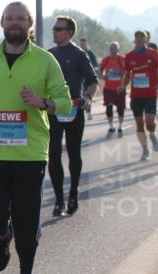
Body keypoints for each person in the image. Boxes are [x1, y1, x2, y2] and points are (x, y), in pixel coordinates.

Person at [0, 2, 71, 274]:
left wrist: (42, 102)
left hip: (31, 156)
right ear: (2, 22)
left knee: (28, 225)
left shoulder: (45, 60)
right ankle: (3, 236)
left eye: (20, 18)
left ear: (29, 23)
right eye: (9, 18)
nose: (14, 23)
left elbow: (65, 102)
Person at [47, 16, 98, 216]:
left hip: (74, 110)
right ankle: (59, 199)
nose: (55, 32)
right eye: (54, 28)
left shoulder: (78, 54)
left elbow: (93, 81)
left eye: (58, 29)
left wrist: (87, 97)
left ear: (69, 33)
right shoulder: (49, 55)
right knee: (53, 154)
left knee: (73, 153)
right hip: (53, 110)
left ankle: (73, 194)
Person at [123, 30, 158, 160]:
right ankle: (145, 150)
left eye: (140, 39)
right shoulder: (129, 56)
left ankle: (152, 134)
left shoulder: (154, 54)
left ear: (145, 40)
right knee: (139, 124)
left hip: (150, 94)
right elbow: (127, 74)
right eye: (136, 39)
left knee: (149, 122)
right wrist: (122, 85)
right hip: (136, 95)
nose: (137, 41)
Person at [98, 41, 127, 136]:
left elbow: (127, 72)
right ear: (109, 49)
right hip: (108, 88)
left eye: (114, 48)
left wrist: (121, 75)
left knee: (120, 108)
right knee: (109, 107)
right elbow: (100, 70)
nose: (112, 50)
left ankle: (120, 126)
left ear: (118, 49)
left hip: (119, 88)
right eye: (111, 48)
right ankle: (111, 126)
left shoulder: (122, 59)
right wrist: (103, 76)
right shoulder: (106, 60)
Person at [79, 37, 99, 120]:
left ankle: (89, 111)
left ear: (86, 44)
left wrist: (91, 72)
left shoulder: (90, 54)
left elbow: (95, 65)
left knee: (88, 94)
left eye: (84, 44)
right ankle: (83, 111)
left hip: (88, 78)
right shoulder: (78, 52)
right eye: (81, 44)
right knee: (81, 94)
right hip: (81, 79)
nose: (82, 45)